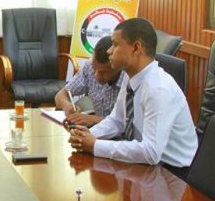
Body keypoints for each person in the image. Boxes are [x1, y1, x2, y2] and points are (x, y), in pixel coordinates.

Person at [68, 18, 197, 177]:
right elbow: (117, 121)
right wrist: (86, 135)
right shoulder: (131, 77)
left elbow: (151, 152)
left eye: (115, 44)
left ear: (136, 48)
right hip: (146, 165)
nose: (109, 51)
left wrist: (95, 145)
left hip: (173, 173)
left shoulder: (158, 89)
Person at [54, 35, 124, 127]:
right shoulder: (89, 66)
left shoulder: (128, 78)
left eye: (103, 72)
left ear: (117, 67)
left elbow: (126, 124)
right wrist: (67, 106)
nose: (96, 76)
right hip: (96, 130)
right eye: (94, 69)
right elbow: (60, 95)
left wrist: (95, 120)